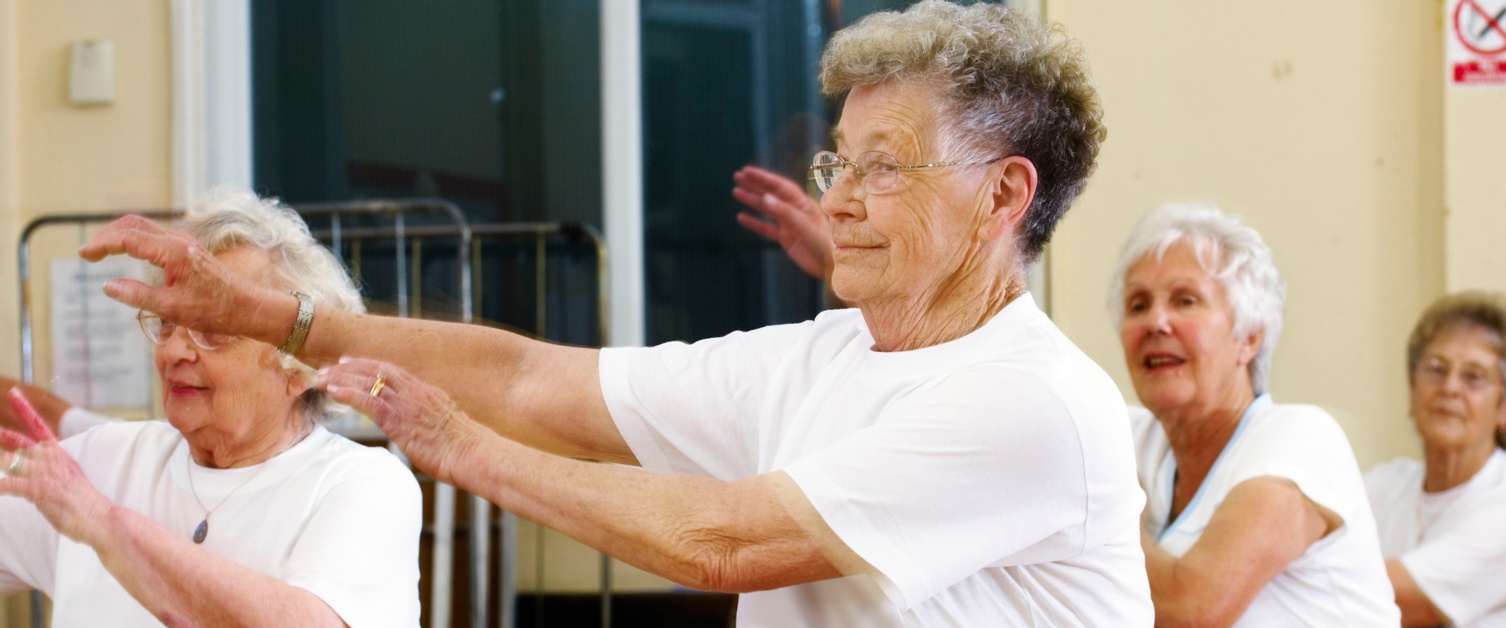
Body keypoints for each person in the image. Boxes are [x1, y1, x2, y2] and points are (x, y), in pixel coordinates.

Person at [80, 2, 1152, 625]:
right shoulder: (818, 357)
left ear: (1003, 197)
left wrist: (464, 448)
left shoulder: (1035, 404)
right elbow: (531, 378)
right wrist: (282, 320)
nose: (837, 197)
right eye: (840, 161)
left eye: (885, 167)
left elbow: (725, 542)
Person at [0, 188, 421, 626]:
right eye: (166, 323)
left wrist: (103, 524)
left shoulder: (366, 484)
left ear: (301, 369)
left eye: (213, 328)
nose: (174, 351)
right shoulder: (104, 461)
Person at [1111, 203, 1398, 625]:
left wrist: (1109, 504)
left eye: (1185, 301)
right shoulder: (1132, 438)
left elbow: (1191, 611)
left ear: (1248, 337)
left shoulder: (1301, 439)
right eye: (1138, 305)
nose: (1156, 321)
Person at [1365, 292, 1506, 627]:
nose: (1450, 388)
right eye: (1436, 369)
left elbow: (1408, 603)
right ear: (1412, 387)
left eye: (1473, 376)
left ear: (1503, 407)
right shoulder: (1383, 486)